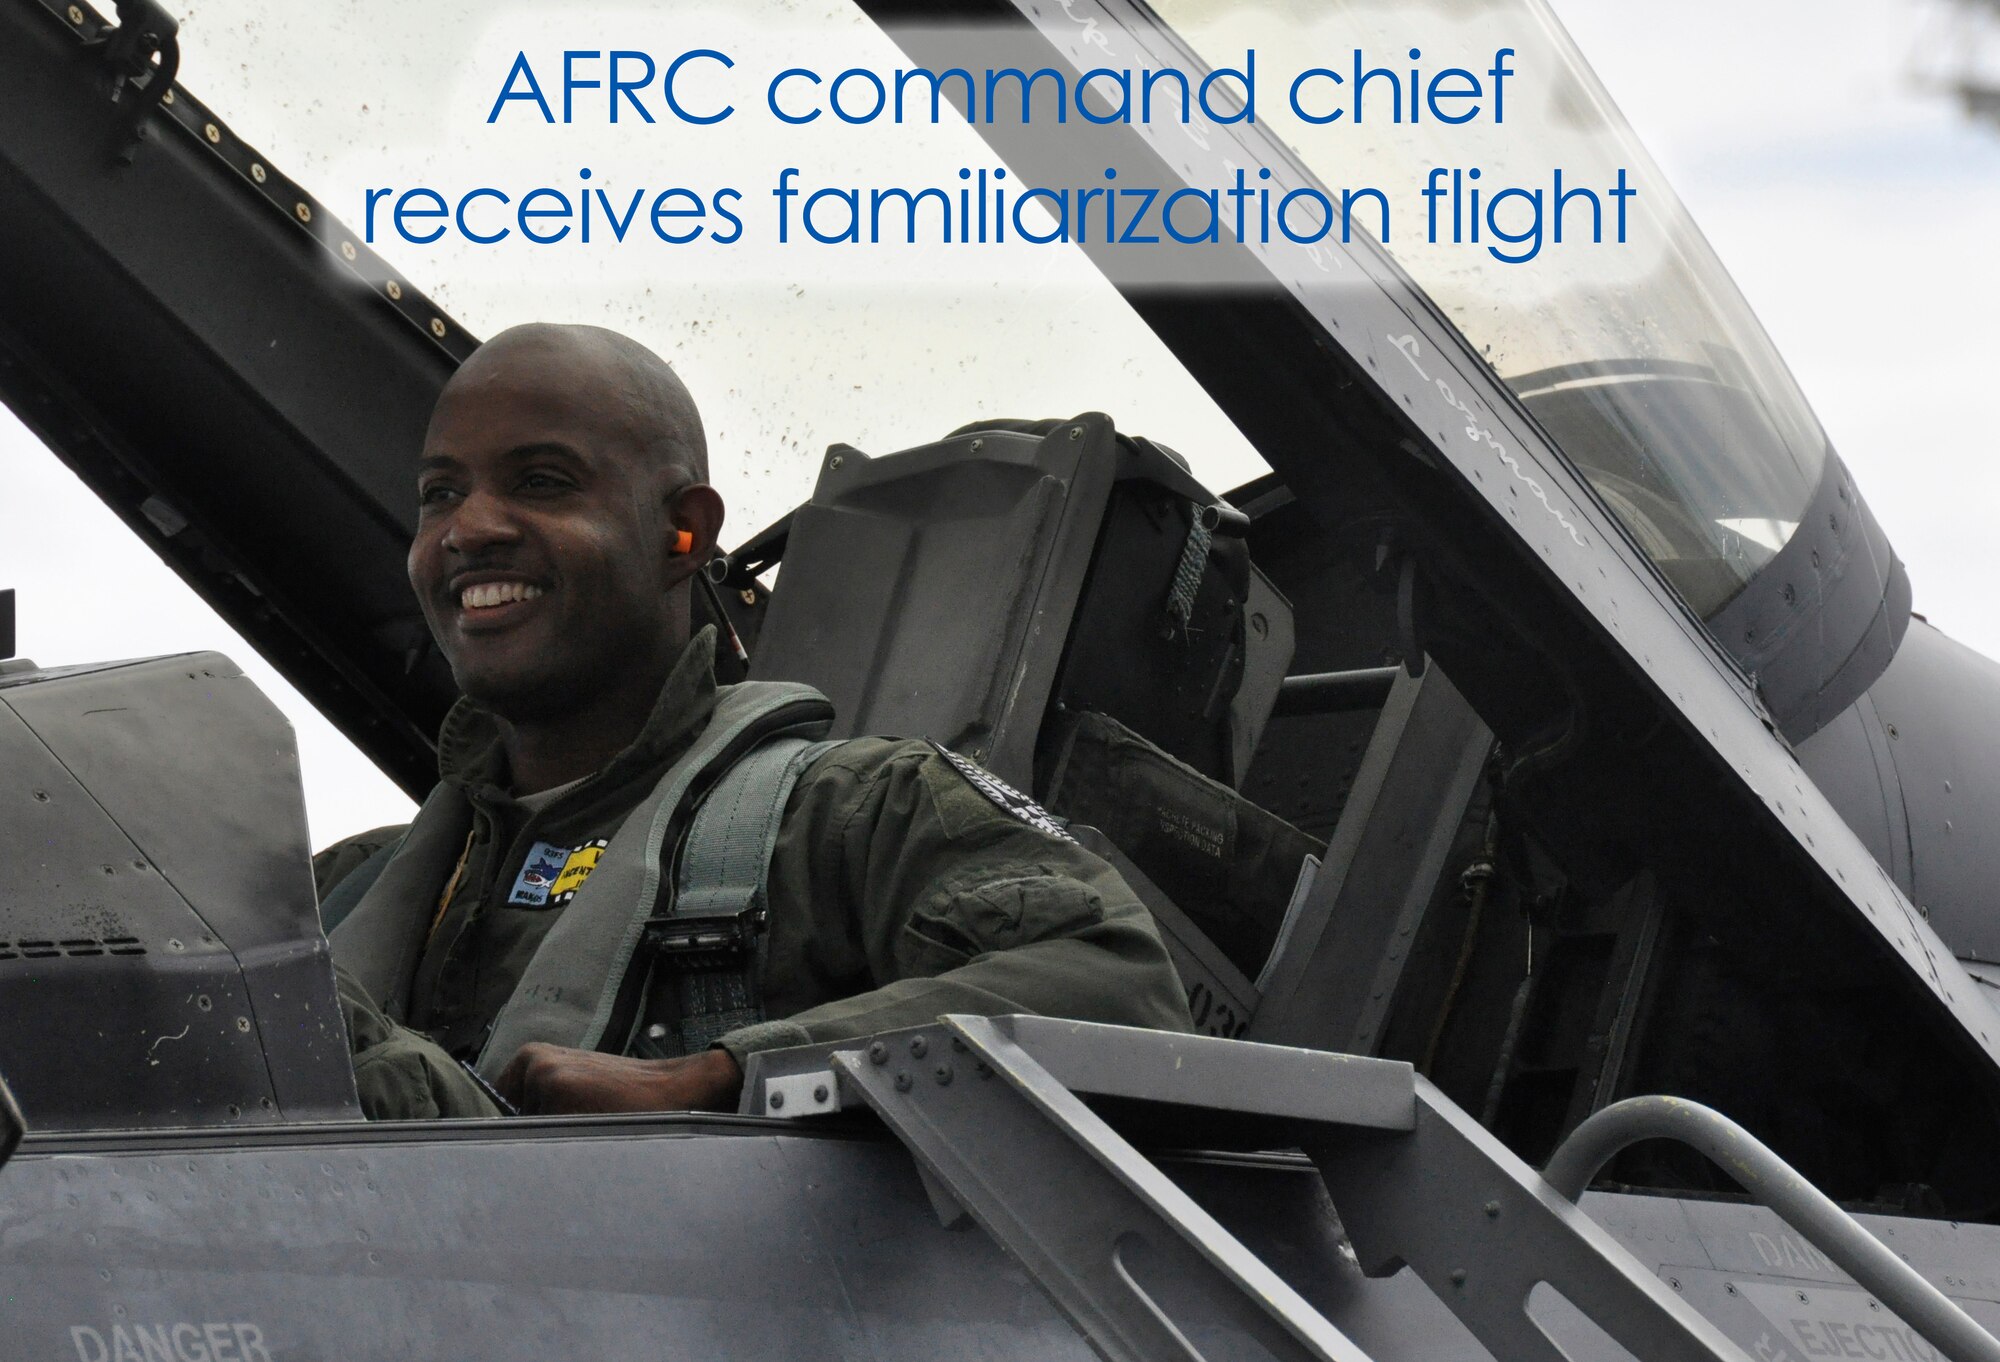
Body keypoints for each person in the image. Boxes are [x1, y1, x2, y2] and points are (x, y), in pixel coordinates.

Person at [324, 322, 1193, 1119]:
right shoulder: (332, 895)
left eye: (542, 483)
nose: (468, 528)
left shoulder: (852, 814)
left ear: (683, 534)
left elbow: (1118, 982)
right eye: (440, 494)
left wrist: (724, 1077)